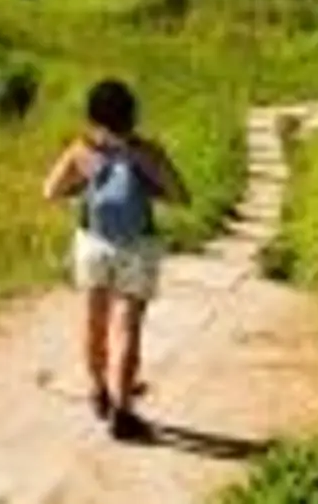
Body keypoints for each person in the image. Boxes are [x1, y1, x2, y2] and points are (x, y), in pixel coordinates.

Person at [40, 78, 190, 442]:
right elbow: (181, 196)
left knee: (94, 321)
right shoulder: (146, 152)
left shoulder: (83, 150)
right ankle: (123, 412)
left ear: (93, 115)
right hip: (137, 246)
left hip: (93, 243)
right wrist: (148, 183)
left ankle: (98, 391)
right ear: (131, 115)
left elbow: (49, 191)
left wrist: (86, 184)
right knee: (127, 328)